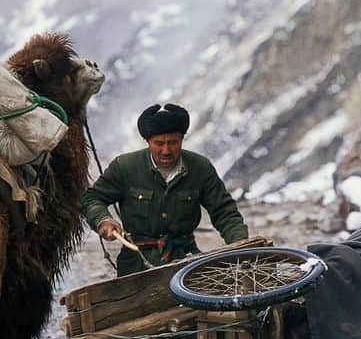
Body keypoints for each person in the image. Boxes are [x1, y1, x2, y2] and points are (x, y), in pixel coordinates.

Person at [82, 103, 248, 276]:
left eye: (173, 142)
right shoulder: (125, 167)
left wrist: (241, 246)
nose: (166, 150)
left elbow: (225, 213)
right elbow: (92, 198)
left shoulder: (200, 168)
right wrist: (103, 220)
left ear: (182, 139)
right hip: (137, 265)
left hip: (187, 262)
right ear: (148, 142)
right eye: (158, 143)